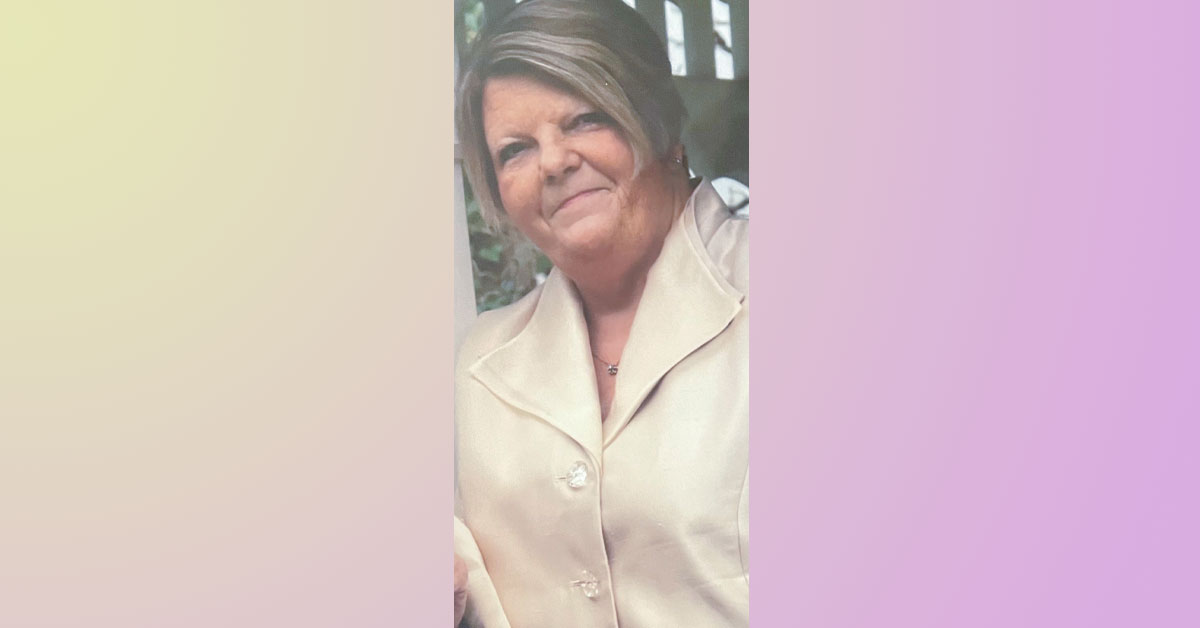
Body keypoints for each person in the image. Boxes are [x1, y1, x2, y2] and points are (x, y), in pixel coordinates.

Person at [453, 1, 748, 626]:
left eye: (585, 119)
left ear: (658, 123)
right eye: (515, 150)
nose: (553, 161)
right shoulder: (480, 364)